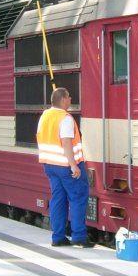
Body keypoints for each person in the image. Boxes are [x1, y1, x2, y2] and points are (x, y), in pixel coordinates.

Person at [36, 87, 93, 248]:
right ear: (62, 100)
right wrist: (74, 166)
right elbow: (66, 142)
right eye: (68, 97)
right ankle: (79, 236)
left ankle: (58, 237)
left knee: (58, 200)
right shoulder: (65, 118)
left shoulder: (45, 116)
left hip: (50, 165)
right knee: (78, 198)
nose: (70, 99)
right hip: (66, 166)